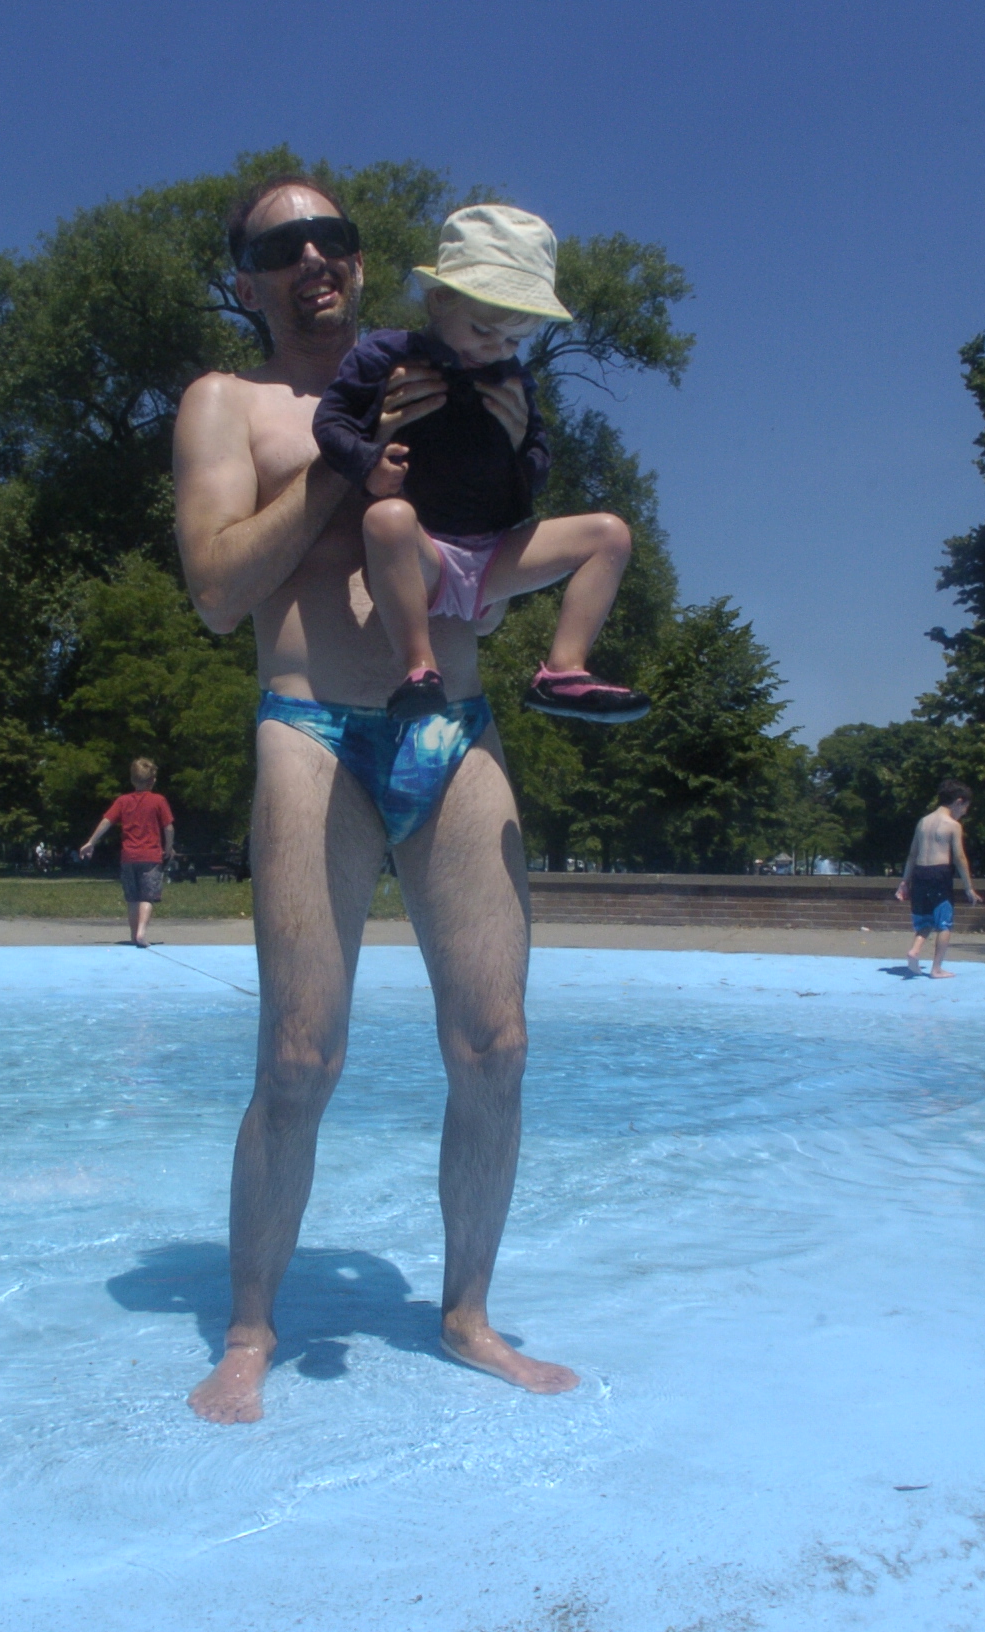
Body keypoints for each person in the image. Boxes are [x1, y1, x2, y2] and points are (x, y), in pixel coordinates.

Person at [170, 173, 579, 1424]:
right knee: (300, 1056)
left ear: (359, 258)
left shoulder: (447, 360)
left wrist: (500, 458)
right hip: (310, 731)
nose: (313, 260)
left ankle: (465, 1315)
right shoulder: (226, 403)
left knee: (497, 1046)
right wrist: (347, 465)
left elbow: (486, 579)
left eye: (331, 238)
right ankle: (250, 1327)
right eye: (281, 247)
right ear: (245, 281)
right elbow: (216, 592)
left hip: (450, 723)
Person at [313, 204, 646, 725]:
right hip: (420, 555)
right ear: (439, 299)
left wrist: (517, 451)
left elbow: (537, 466)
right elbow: (330, 422)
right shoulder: (386, 354)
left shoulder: (513, 380)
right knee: (387, 518)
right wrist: (368, 463)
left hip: (494, 559)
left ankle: (563, 668)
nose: (496, 349)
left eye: (514, 340)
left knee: (610, 535)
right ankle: (419, 669)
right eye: (483, 330)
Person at [77, 757, 175, 948]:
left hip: (128, 857)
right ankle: (141, 933)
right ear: (153, 780)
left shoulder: (123, 801)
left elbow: (106, 821)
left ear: (132, 780)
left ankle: (133, 935)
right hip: (150, 856)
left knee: (132, 898)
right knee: (147, 897)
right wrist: (169, 847)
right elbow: (168, 827)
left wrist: (91, 842)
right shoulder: (158, 800)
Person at [894, 779, 983, 978]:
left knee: (925, 919)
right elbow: (959, 857)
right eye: (965, 808)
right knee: (944, 923)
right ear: (958, 801)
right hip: (939, 874)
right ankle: (936, 968)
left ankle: (915, 950)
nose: (965, 813)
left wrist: (904, 881)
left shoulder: (923, 822)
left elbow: (912, 854)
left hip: (920, 873)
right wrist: (968, 887)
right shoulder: (953, 825)